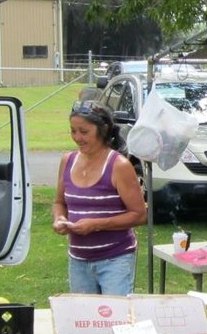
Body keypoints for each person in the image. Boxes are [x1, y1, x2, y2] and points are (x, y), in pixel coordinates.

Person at [53, 102, 147, 295]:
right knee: (84, 319)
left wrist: (96, 224)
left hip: (115, 259)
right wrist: (59, 219)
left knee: (115, 318)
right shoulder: (67, 161)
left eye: (84, 132)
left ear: (103, 130)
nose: (77, 137)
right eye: (73, 131)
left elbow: (139, 215)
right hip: (78, 259)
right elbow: (59, 202)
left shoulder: (119, 165)